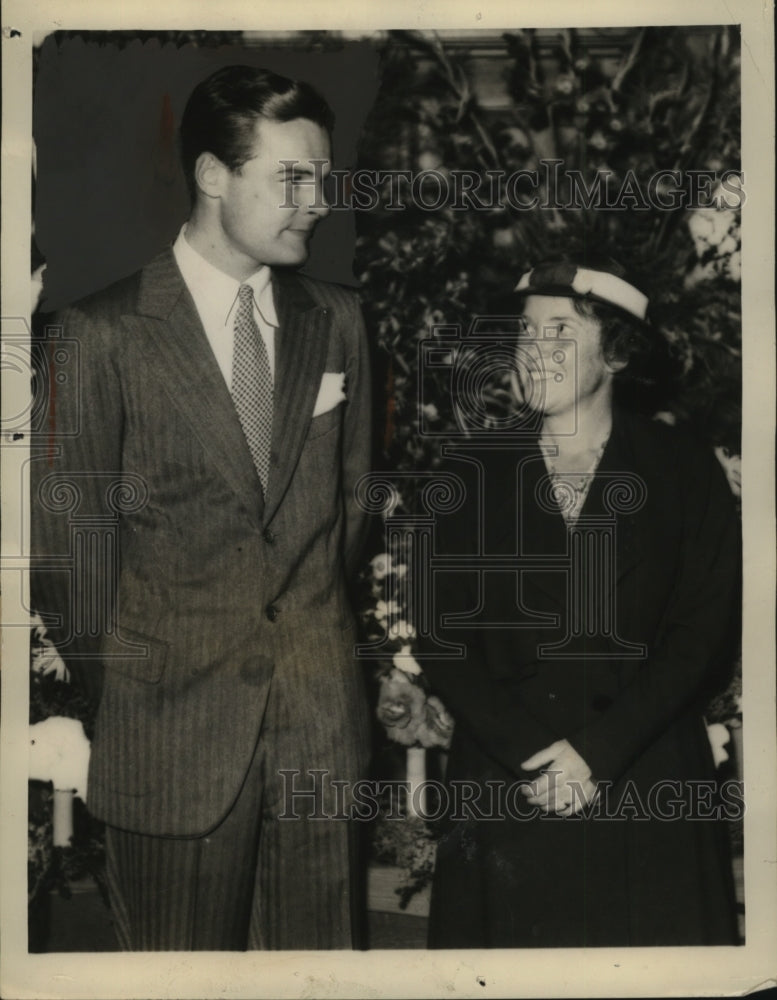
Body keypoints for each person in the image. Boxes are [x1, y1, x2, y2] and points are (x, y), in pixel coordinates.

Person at [31, 64, 372, 950]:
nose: (319, 201)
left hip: (318, 732)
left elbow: (352, 506)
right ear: (213, 176)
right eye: (293, 178)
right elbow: (74, 553)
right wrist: (145, 694)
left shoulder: (339, 323)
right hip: (170, 739)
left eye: (324, 178)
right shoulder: (96, 335)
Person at [420, 253, 740, 947]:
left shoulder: (682, 470)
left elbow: (702, 634)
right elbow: (440, 637)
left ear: (617, 353)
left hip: (643, 778)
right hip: (509, 786)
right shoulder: (470, 474)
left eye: (559, 333)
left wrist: (597, 752)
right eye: (526, 334)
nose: (534, 353)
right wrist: (536, 755)